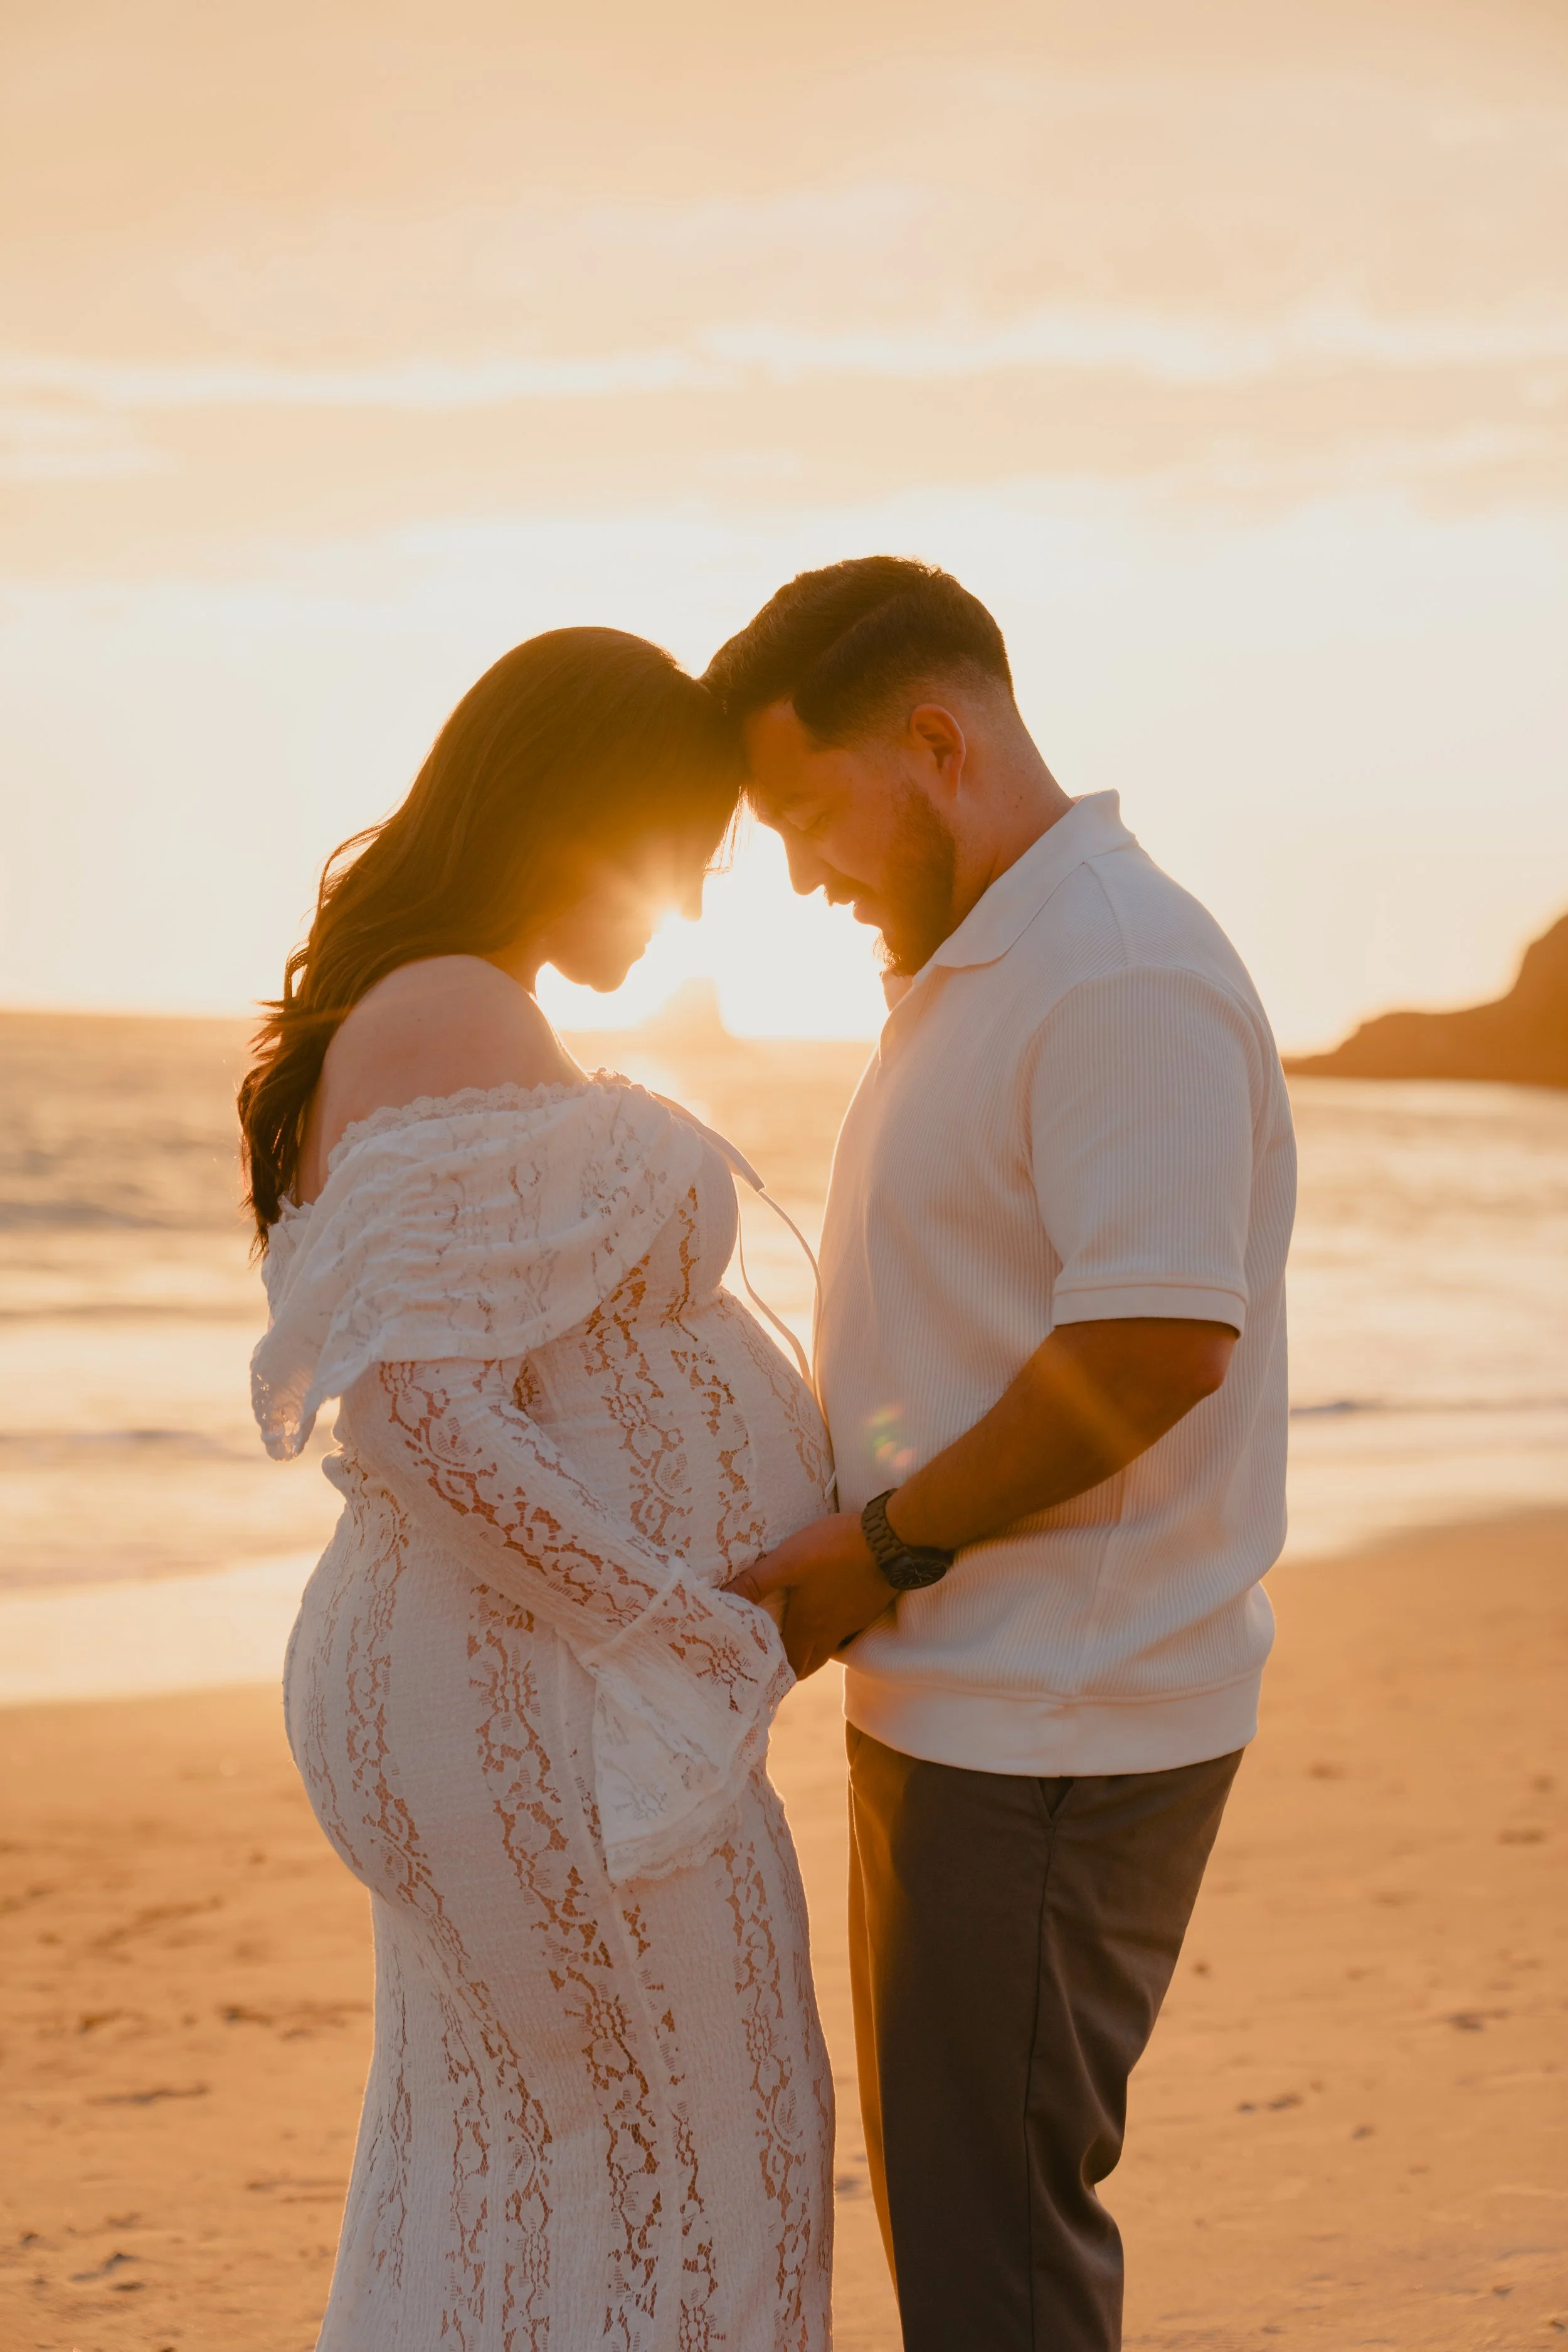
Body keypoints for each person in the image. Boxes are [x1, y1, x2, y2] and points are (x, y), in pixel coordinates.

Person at [707, 559, 1296, 2352]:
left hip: (1051, 1726)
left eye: (807, 811)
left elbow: (1150, 1346)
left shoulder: (1113, 968)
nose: (801, 869)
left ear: (935, 739)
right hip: (970, 1704)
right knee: (968, 2229)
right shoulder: (985, 961)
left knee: (994, 2269)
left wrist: (872, 1543)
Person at [240, 629, 835, 2351]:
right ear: (576, 812)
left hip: (500, 1681)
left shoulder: (425, 999)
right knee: (706, 2153)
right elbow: (423, 1413)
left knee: (522, 2165)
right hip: (542, 1694)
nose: (690, 908)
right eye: (683, 855)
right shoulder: (453, 1006)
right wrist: (689, 1629)